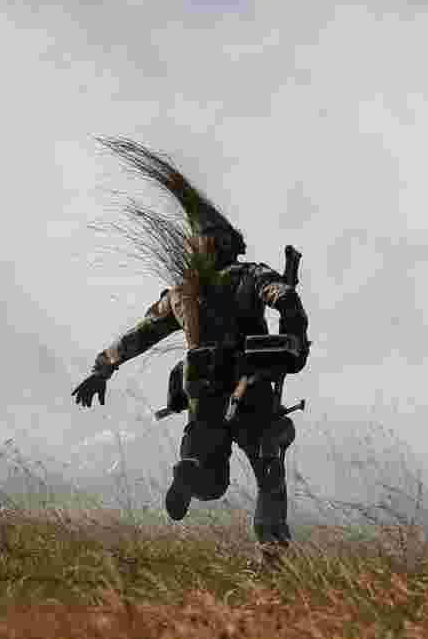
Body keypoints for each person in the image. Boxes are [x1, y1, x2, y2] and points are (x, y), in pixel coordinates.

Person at [72, 138, 310, 562]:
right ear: (226, 245)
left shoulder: (182, 295)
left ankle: (189, 471)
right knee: (268, 466)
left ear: (200, 248)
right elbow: (286, 299)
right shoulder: (250, 275)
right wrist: (293, 343)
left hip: (202, 391)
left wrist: (102, 368)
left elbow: (139, 336)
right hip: (249, 386)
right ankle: (271, 554)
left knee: (209, 478)